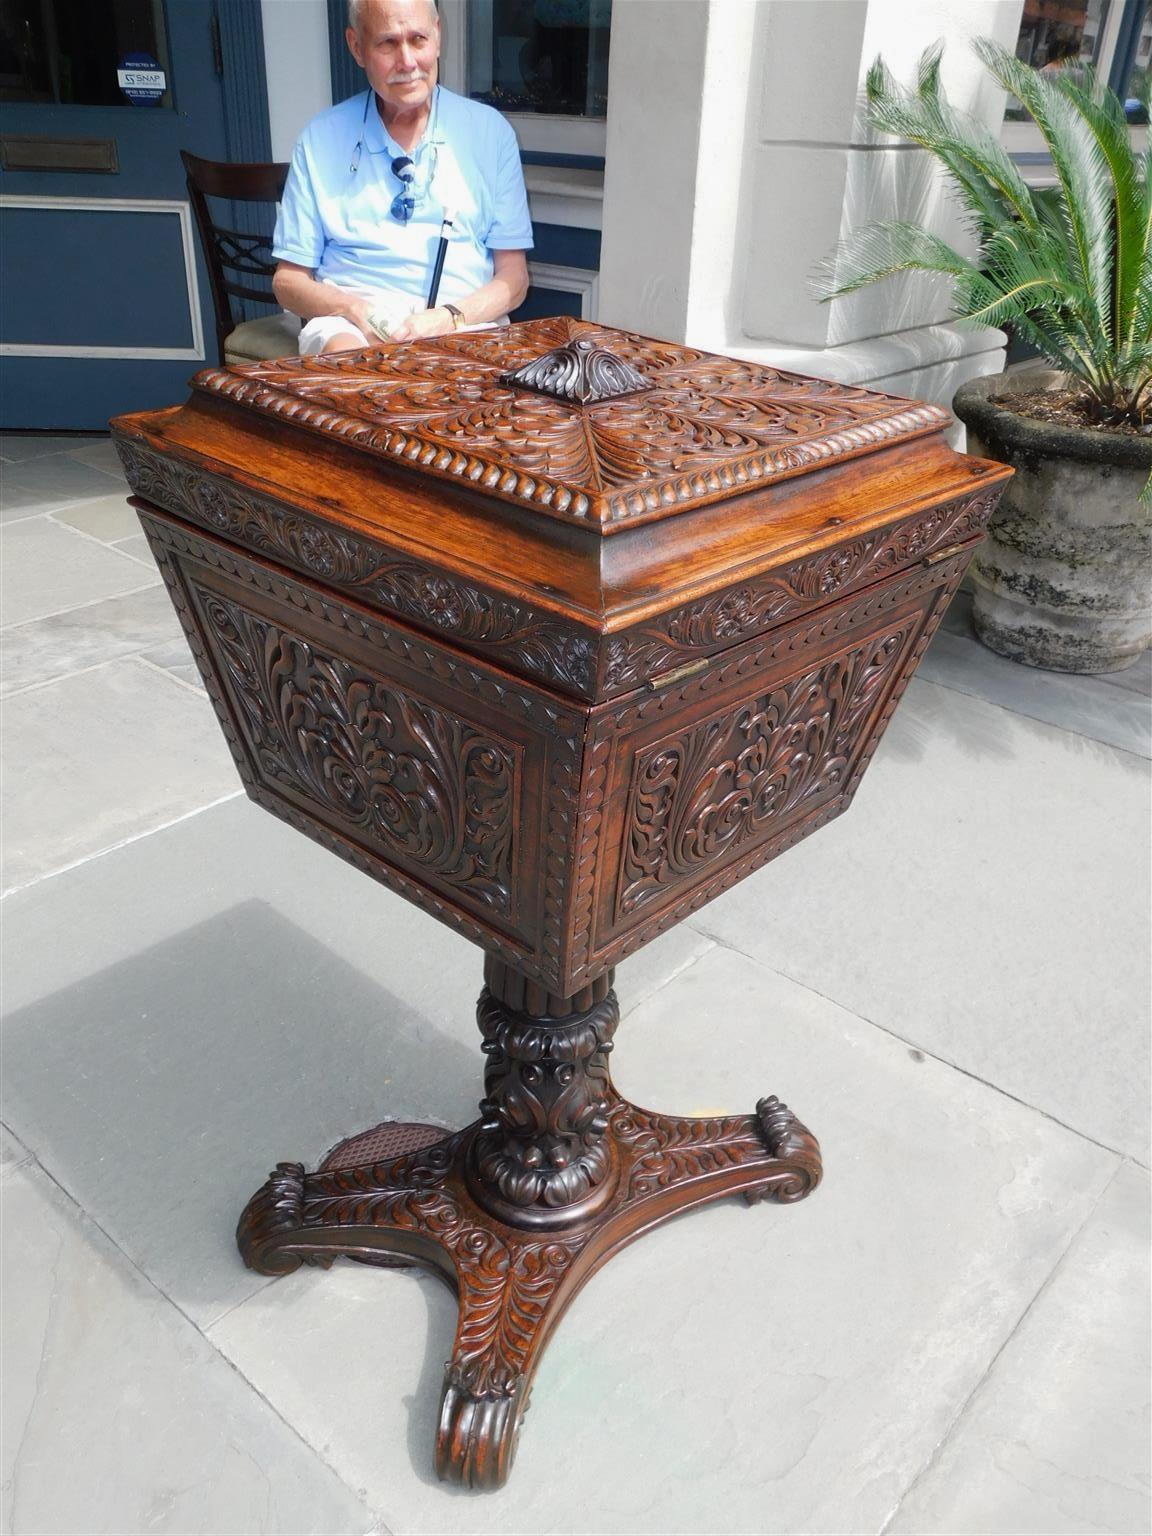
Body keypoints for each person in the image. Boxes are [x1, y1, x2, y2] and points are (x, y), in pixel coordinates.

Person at [271, 0, 532, 355]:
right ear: (356, 47)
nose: (407, 62)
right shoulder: (321, 138)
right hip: (352, 327)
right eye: (387, 43)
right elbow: (288, 281)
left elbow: (514, 280)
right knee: (352, 374)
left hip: (463, 325)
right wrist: (356, 310)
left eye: (418, 39)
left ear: (438, 36)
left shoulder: (490, 133)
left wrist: (446, 318)